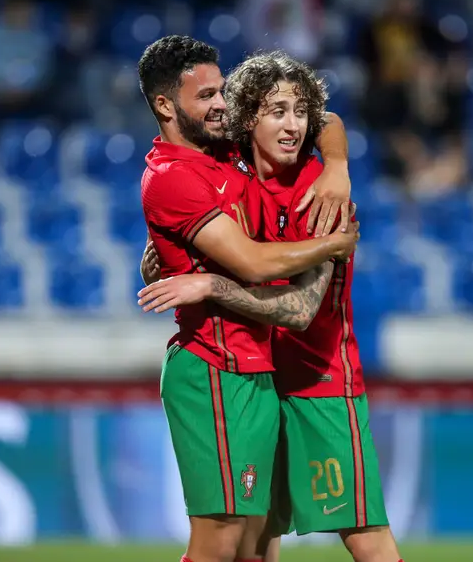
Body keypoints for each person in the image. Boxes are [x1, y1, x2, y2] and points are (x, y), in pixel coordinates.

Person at [139, 50, 403, 562]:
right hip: (256, 378)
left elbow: (301, 311)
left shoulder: (323, 195)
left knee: (366, 536)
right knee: (254, 544)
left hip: (319, 379)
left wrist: (338, 165)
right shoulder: (228, 160)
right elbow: (182, 226)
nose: (293, 125)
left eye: (299, 113)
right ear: (249, 120)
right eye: (277, 112)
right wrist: (167, 259)